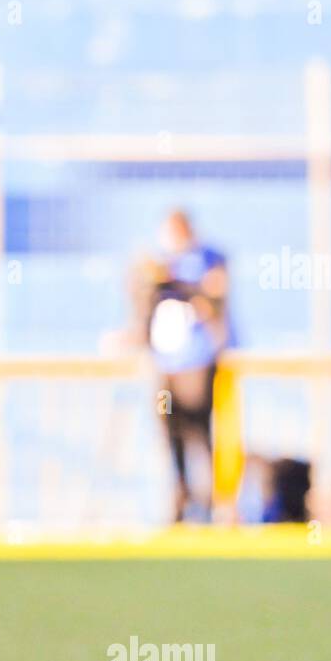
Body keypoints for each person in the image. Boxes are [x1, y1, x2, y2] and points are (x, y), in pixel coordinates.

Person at [129, 210, 231, 522]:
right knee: (170, 429)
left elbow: (214, 298)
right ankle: (181, 495)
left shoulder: (206, 261)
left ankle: (212, 502)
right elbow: (141, 299)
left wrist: (180, 282)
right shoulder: (157, 268)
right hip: (167, 368)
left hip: (197, 364)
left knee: (200, 431)